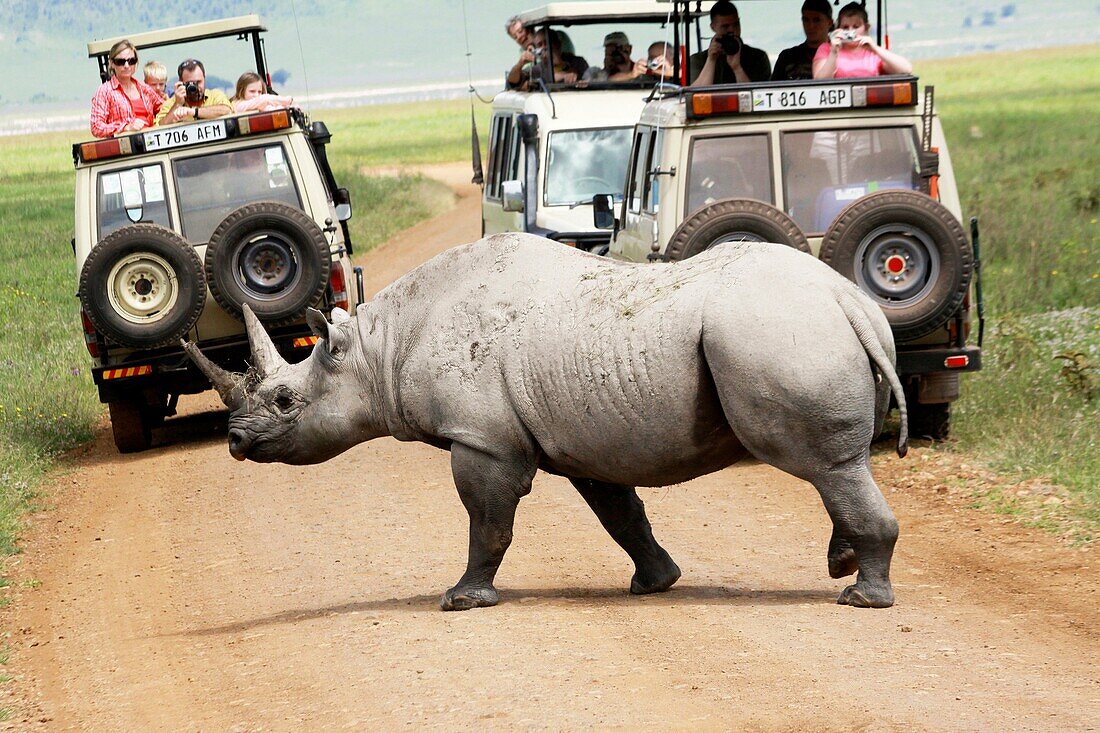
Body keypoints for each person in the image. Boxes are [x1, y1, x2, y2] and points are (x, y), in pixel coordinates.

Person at [813, 2, 912, 79]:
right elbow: (820, 80)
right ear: (838, 28)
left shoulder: (874, 52)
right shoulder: (826, 49)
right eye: (845, 27)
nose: (850, 31)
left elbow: (906, 69)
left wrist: (875, 48)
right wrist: (834, 53)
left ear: (866, 28)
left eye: (856, 27)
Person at [89, 40, 164, 138]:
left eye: (131, 61)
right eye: (120, 62)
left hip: (151, 141)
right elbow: (96, 127)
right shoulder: (105, 91)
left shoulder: (145, 89)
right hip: (125, 146)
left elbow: (164, 108)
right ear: (111, 63)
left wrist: (178, 102)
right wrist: (125, 127)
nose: (126, 66)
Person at [689, 1, 771, 86]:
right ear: (713, 27)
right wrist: (711, 61)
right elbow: (696, 95)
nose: (732, 30)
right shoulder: (699, 60)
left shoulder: (757, 58)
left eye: (736, 24)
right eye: (725, 26)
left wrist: (737, 68)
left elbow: (757, 95)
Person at [154, 58, 232, 126]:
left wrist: (193, 112)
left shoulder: (215, 95)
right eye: (190, 83)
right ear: (181, 82)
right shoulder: (171, 103)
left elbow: (226, 110)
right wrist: (177, 104)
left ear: (204, 78)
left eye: (198, 82)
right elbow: (160, 126)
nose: (195, 87)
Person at [771, 0, 833, 81]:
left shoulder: (840, 55)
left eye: (817, 20)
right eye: (806, 20)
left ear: (829, 23)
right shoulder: (787, 57)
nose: (811, 26)